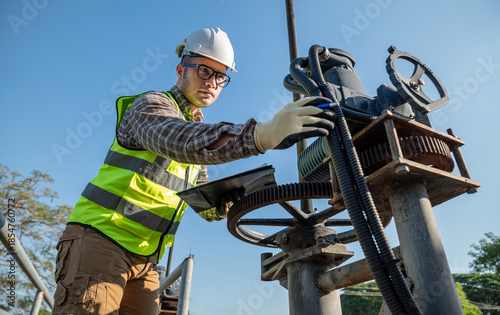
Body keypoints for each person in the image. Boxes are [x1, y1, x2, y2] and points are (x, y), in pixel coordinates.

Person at [52, 27, 336, 315]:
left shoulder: (197, 138)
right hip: (101, 240)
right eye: (203, 70)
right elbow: (179, 140)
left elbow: (205, 205)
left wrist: (230, 200)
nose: (212, 82)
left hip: (146, 258)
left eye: (220, 76)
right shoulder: (151, 105)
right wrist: (261, 135)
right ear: (180, 69)